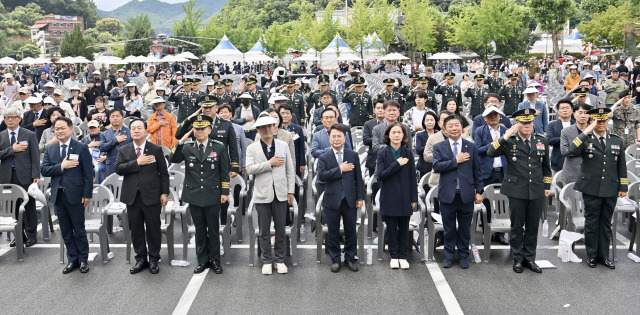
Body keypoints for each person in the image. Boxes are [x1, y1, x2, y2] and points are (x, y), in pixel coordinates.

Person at [487, 108, 551, 274]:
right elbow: (490, 152)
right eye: (523, 122)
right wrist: (506, 135)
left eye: (529, 122)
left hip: (536, 189)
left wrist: (547, 186)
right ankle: (517, 258)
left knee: (532, 226)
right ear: (517, 124)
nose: (527, 125)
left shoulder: (541, 141)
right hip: (516, 189)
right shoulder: (509, 141)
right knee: (517, 226)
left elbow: (546, 167)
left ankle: (530, 258)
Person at [568, 108, 627, 269]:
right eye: (597, 121)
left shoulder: (616, 140)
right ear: (592, 121)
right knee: (592, 222)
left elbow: (621, 165)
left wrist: (623, 186)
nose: (601, 123)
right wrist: (586, 131)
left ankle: (604, 255)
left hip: (611, 187)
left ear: (608, 122)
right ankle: (592, 255)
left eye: (603, 120)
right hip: (591, 187)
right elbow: (571, 150)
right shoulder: (586, 138)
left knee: (606, 222)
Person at [171, 115, 229, 274]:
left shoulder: (218, 147)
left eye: (203, 128)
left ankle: (215, 260)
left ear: (209, 130)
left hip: (213, 194)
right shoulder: (188, 146)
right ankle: (202, 260)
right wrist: (181, 141)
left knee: (213, 229)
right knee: (200, 229)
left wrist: (225, 192)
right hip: (194, 194)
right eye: (197, 128)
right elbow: (173, 158)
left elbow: (224, 172)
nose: (200, 131)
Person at [115, 119, 169, 275]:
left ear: (146, 131)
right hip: (132, 196)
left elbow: (164, 173)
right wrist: (136, 162)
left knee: (153, 229)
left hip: (152, 196)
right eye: (133, 128)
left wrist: (164, 193)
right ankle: (140, 259)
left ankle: (154, 259)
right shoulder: (124, 150)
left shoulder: (156, 149)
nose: (136, 130)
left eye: (139, 128)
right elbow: (118, 168)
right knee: (136, 229)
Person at [41, 116, 93, 274]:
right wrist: (61, 166)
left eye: (62, 128)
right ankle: (72, 259)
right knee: (65, 230)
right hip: (59, 195)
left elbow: (88, 174)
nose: (59, 131)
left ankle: (83, 259)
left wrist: (87, 194)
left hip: (76, 195)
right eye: (56, 129)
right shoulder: (51, 149)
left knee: (79, 229)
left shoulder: (81, 147)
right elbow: (44, 170)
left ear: (71, 129)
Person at [246, 113, 295, 275]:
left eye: (270, 126)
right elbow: (250, 169)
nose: (267, 129)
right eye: (263, 127)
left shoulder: (282, 145)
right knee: (264, 230)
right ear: (258, 130)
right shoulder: (252, 148)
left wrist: (290, 191)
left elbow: (289, 170)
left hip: (281, 192)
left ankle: (280, 260)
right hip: (262, 193)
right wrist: (269, 164)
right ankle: (267, 259)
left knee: (281, 229)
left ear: (275, 128)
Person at [433, 115, 483, 268]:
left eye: (457, 125)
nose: (454, 128)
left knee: (464, 229)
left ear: (462, 128)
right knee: (448, 229)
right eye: (450, 126)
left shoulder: (471, 146)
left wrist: (479, 191)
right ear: (444, 129)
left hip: (466, 194)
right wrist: (456, 160)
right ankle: (448, 256)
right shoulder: (439, 146)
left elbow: (477, 171)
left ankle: (463, 255)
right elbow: (437, 166)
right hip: (447, 194)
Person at [317, 124, 364, 273]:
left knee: (351, 231)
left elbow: (358, 178)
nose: (336, 139)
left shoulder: (353, 155)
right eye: (333, 136)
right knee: (333, 231)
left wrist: (360, 197)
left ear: (345, 138)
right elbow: (322, 176)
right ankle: (335, 259)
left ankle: (350, 258)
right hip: (332, 199)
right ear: (329, 138)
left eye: (339, 136)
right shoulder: (324, 157)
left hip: (349, 199)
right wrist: (339, 170)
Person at [376, 122, 418, 269]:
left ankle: (403, 256)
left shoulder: (408, 153)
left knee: (404, 228)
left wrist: (414, 198)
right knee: (392, 228)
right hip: (389, 196)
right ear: (388, 135)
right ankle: (394, 255)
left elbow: (413, 177)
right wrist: (396, 164)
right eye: (393, 132)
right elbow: (380, 175)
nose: (396, 135)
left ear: (404, 136)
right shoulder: (383, 153)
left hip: (405, 196)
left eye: (399, 132)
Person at [0, 107, 40, 248]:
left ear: (19, 119)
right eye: (7, 118)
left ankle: (31, 235)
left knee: (29, 206)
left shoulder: (29, 134)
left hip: (26, 175)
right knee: (14, 207)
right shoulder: (1, 135)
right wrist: (12, 149)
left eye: (13, 117)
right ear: (4, 120)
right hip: (7, 176)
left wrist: (36, 174)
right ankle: (19, 235)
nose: (10, 120)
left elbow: (35, 156)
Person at [176, 95, 240, 176]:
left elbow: (233, 148)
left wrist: (235, 167)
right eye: (205, 107)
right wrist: (189, 119)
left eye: (210, 107)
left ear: (216, 108)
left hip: (220, 165)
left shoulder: (226, 125)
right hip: (199, 166)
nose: (208, 110)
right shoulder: (195, 125)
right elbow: (178, 135)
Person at [473, 105, 509, 245]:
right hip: (486, 172)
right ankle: (486, 231)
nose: (493, 117)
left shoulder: (506, 131)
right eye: (490, 115)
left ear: (500, 116)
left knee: (503, 202)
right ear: (485, 118)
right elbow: (477, 149)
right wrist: (493, 145)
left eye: (496, 114)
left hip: (503, 171)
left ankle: (500, 234)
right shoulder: (480, 131)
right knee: (486, 202)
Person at [99, 109, 132, 176]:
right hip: (111, 166)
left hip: (127, 165)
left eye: (117, 116)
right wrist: (115, 140)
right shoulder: (104, 134)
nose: (115, 118)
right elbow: (101, 147)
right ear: (109, 119)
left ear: (123, 118)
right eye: (112, 116)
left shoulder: (130, 132)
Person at [546, 99, 575, 173]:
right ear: (558, 111)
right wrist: (566, 138)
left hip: (575, 161)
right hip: (558, 160)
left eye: (567, 108)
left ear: (572, 110)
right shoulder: (552, 125)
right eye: (562, 108)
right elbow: (548, 140)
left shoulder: (577, 124)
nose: (565, 110)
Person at [218, 103, 247, 174]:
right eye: (221, 113)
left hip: (235, 162)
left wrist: (244, 164)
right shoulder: (215, 129)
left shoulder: (239, 128)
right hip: (220, 162)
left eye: (225, 112)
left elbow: (243, 147)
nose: (223, 114)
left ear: (230, 114)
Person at [279, 104, 306, 178]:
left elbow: (301, 147)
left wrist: (302, 163)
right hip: (280, 161)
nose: (285, 116)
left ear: (291, 116)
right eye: (282, 113)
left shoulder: (298, 129)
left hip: (295, 161)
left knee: (295, 184)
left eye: (287, 113)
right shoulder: (275, 129)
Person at [363, 99, 386, 176]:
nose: (380, 110)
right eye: (378, 108)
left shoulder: (391, 124)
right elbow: (365, 140)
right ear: (374, 110)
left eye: (382, 108)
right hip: (373, 159)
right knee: (373, 185)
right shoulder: (368, 124)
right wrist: (379, 139)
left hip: (388, 159)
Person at [416, 111, 439, 178]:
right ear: (424, 122)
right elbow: (418, 150)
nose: (429, 122)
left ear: (435, 121)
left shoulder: (439, 134)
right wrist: (433, 146)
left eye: (431, 120)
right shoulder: (419, 135)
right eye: (427, 120)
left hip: (437, 165)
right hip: (424, 167)